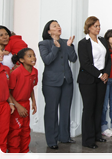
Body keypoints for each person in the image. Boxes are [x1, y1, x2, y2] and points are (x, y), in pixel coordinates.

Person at [38, 20, 77, 149]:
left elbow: (74, 59)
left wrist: (70, 46)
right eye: (55, 26)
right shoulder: (44, 43)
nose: (58, 27)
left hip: (67, 81)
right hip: (51, 83)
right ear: (49, 31)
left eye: (59, 25)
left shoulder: (66, 42)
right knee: (51, 111)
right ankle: (52, 141)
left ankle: (64, 137)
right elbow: (47, 61)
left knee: (65, 109)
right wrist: (55, 47)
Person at [77, 16, 112, 149]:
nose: (99, 28)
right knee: (89, 109)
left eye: (99, 26)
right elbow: (85, 63)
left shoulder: (102, 40)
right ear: (89, 27)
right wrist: (99, 75)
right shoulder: (83, 43)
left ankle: (97, 135)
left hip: (102, 78)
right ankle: (88, 140)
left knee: (99, 108)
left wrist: (106, 73)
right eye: (96, 26)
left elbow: (108, 59)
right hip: (88, 80)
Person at [7, 48, 39, 159]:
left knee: (26, 129)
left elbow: (30, 87)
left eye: (34, 55)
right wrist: (17, 106)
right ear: (21, 60)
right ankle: (13, 155)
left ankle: (24, 152)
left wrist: (34, 102)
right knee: (16, 131)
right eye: (29, 56)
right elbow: (9, 92)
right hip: (16, 106)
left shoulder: (34, 71)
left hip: (26, 104)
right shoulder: (16, 73)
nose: (33, 58)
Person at [0, 49, 15, 159]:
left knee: (4, 133)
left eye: (1, 51)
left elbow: (7, 89)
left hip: (4, 105)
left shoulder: (6, 70)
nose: (1, 54)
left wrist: (11, 103)